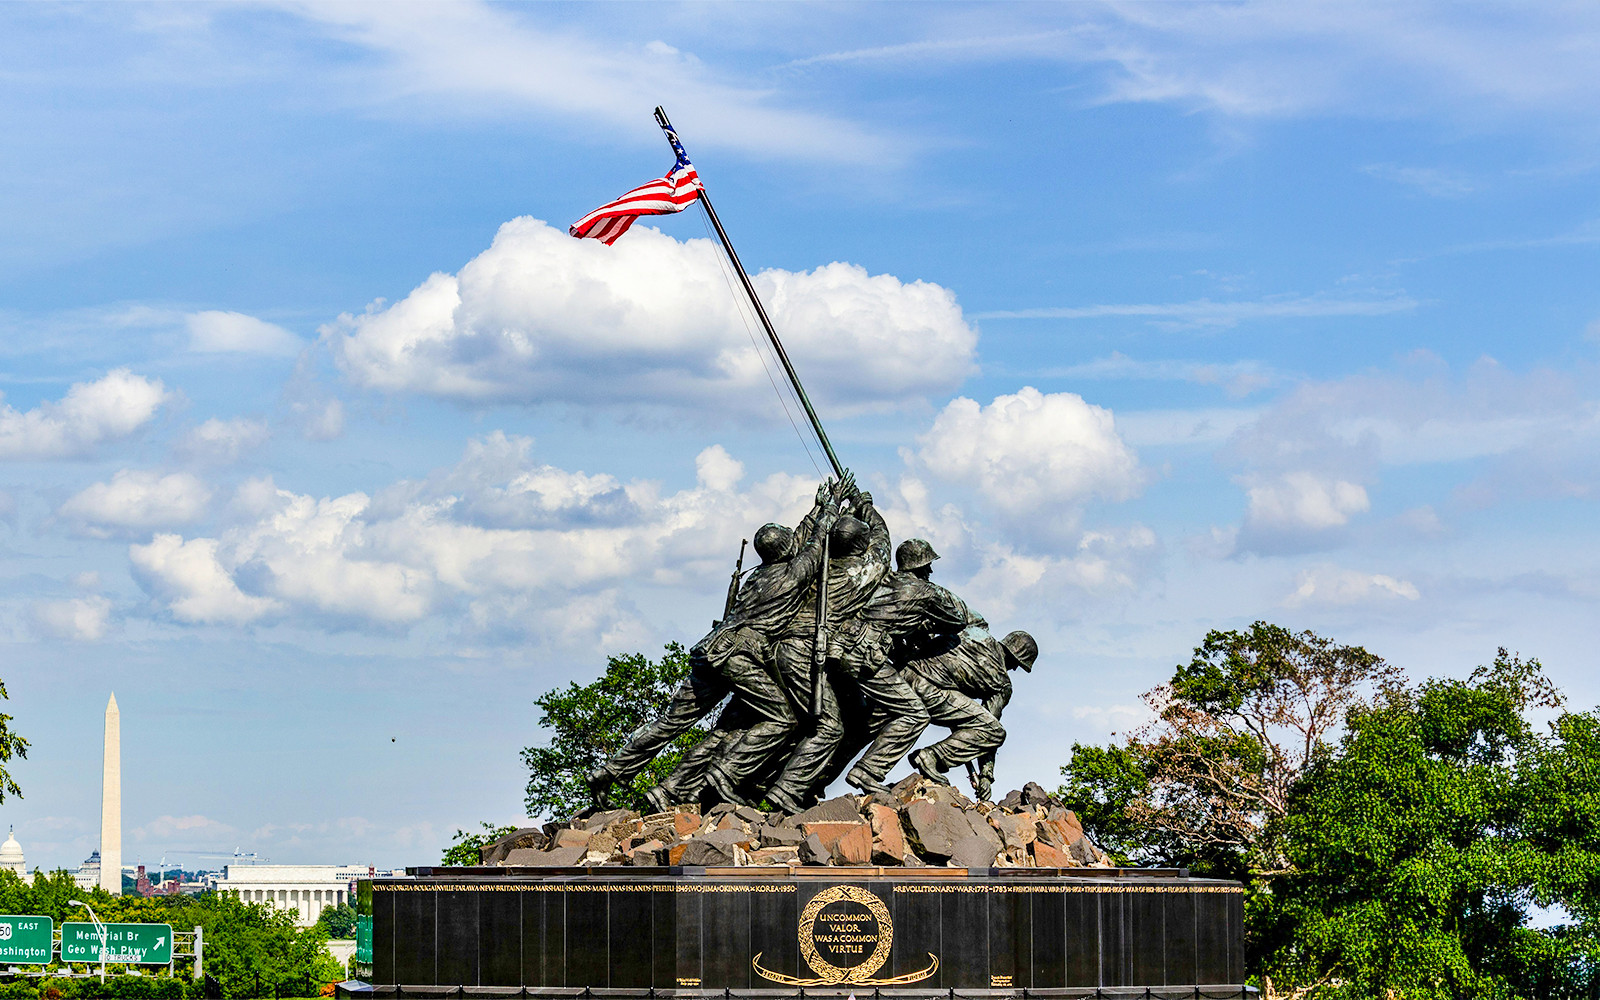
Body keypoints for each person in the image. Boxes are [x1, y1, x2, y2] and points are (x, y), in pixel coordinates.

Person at [584, 478, 843, 807]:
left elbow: (801, 541)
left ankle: (609, 772)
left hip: (711, 650)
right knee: (782, 718)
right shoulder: (792, 576)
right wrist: (831, 508)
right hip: (739, 656)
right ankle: (726, 774)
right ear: (786, 550)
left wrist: (818, 508)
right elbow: (815, 546)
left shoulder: (758, 575)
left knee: (671, 722)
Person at [750, 488, 892, 813]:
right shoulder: (861, 573)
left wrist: (830, 511)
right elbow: (883, 543)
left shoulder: (815, 568)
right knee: (829, 727)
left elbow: (802, 543)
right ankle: (786, 790)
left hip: (777, 650)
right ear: (861, 546)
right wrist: (865, 505)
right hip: (802, 652)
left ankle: (769, 781)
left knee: (812, 721)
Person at [824, 538, 970, 795]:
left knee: (857, 720)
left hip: (840, 647)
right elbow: (959, 618)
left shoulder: (882, 579)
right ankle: (868, 771)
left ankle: (812, 781)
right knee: (915, 714)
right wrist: (930, 612)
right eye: (928, 565)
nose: (930, 570)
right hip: (865, 654)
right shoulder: (925, 591)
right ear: (920, 566)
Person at [905, 627, 1037, 802]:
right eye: (1017, 665)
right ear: (1015, 657)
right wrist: (986, 775)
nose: (1013, 669)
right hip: (929, 691)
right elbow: (988, 730)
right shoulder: (1002, 683)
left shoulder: (975, 632)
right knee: (995, 731)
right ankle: (932, 756)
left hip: (903, 675)